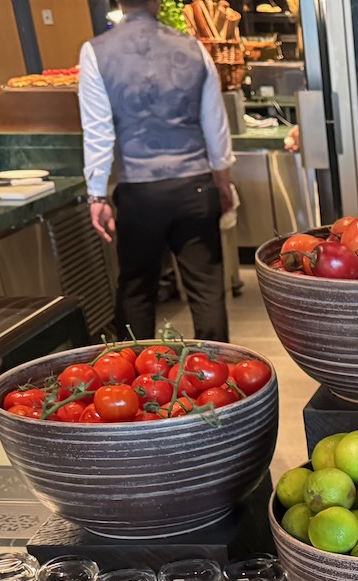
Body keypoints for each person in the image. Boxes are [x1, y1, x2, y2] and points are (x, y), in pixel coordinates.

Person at [78, 0, 235, 341]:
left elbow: (98, 131)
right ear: (159, 2)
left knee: (136, 289)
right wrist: (222, 182)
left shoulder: (95, 52)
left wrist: (97, 194)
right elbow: (215, 125)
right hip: (194, 186)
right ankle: (219, 380)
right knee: (207, 290)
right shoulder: (194, 49)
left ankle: (132, 381)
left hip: (139, 191)